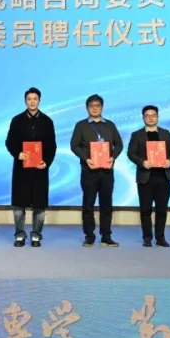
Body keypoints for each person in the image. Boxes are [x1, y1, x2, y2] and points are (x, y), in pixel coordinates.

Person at [5, 87, 56, 247]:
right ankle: (20, 235)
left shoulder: (47, 121)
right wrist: (17, 153)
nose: (32, 102)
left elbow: (52, 146)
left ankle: (36, 235)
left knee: (39, 206)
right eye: (29, 99)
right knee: (19, 206)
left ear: (39, 100)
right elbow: (9, 142)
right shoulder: (17, 120)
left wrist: (46, 161)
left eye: (35, 99)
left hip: (40, 170)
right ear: (25, 101)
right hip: (21, 169)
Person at [69, 94, 123, 247]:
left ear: (102, 107)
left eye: (97, 105)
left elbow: (119, 144)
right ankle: (89, 236)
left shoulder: (110, 125)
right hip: (89, 170)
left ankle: (106, 236)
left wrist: (112, 157)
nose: (94, 108)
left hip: (106, 171)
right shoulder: (81, 125)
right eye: (91, 105)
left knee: (107, 204)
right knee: (88, 204)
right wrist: (86, 159)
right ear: (87, 108)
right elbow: (74, 145)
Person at [127, 105, 170, 247]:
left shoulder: (165, 133)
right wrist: (142, 162)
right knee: (145, 210)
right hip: (145, 177)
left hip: (163, 177)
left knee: (162, 209)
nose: (150, 118)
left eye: (153, 115)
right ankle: (147, 237)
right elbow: (131, 153)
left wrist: (169, 161)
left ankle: (160, 238)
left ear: (157, 117)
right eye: (147, 115)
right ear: (143, 118)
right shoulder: (137, 135)